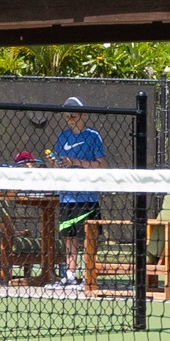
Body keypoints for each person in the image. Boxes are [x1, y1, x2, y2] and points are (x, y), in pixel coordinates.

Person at [49, 95, 104, 292]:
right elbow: (57, 165)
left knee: (89, 237)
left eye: (74, 112)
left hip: (87, 197)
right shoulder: (62, 137)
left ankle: (90, 275)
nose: (70, 115)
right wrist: (56, 163)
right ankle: (70, 275)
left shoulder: (93, 137)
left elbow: (100, 165)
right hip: (67, 196)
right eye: (67, 112)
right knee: (69, 236)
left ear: (84, 114)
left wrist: (76, 162)